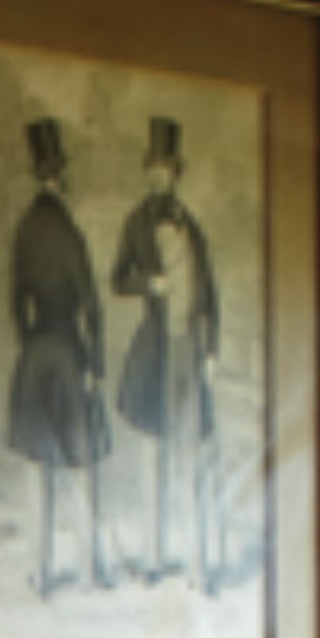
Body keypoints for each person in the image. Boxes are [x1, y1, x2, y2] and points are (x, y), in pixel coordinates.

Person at [113, 114, 222, 585]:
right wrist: (150, 284)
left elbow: (210, 291)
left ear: (177, 172)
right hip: (153, 355)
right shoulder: (136, 222)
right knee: (152, 455)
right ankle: (154, 559)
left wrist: (212, 351)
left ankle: (199, 565)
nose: (159, 175)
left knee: (192, 458)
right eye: (153, 167)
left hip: (188, 353)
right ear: (147, 172)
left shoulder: (191, 227)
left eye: (167, 168)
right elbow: (118, 278)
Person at [6, 114, 110, 598]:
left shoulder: (26, 228)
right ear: (59, 175)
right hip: (68, 353)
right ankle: (90, 569)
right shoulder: (69, 232)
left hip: (35, 356)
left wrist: (28, 343)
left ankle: (39, 575)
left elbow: (14, 299)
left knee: (37, 464)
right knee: (81, 461)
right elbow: (91, 306)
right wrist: (96, 366)